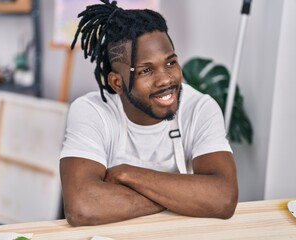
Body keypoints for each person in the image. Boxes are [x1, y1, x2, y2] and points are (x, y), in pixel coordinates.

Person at [60, 0, 238, 227]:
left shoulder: (200, 108)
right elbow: (82, 207)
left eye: (171, 63)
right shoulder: (92, 112)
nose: (165, 79)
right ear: (117, 82)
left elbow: (223, 198)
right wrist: (184, 196)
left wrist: (126, 174)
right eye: (146, 70)